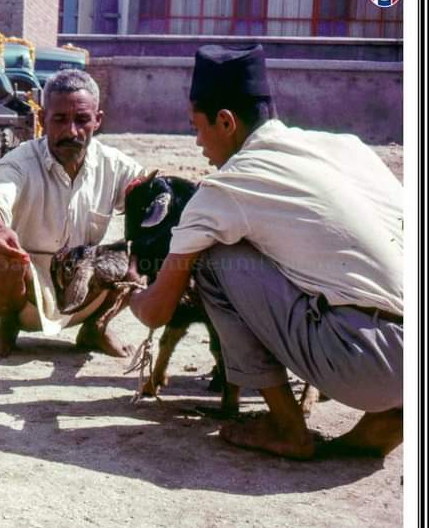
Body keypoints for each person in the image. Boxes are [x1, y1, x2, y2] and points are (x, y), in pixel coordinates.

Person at [128, 44, 403, 459]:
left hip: (370, 361)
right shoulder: (348, 147)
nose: (198, 142)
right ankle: (392, 417)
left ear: (225, 122)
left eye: (196, 127)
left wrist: (131, 288)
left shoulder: (226, 189)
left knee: (215, 261)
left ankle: (286, 426)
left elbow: (156, 312)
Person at [0, 69, 147, 358]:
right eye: (60, 120)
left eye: (82, 120)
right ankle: (7, 327)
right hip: (27, 292)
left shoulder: (114, 165)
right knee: (5, 259)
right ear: (42, 120)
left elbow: (151, 195)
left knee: (144, 255)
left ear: (98, 120)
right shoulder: (19, 162)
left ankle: (96, 328)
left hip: (87, 287)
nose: (71, 132)